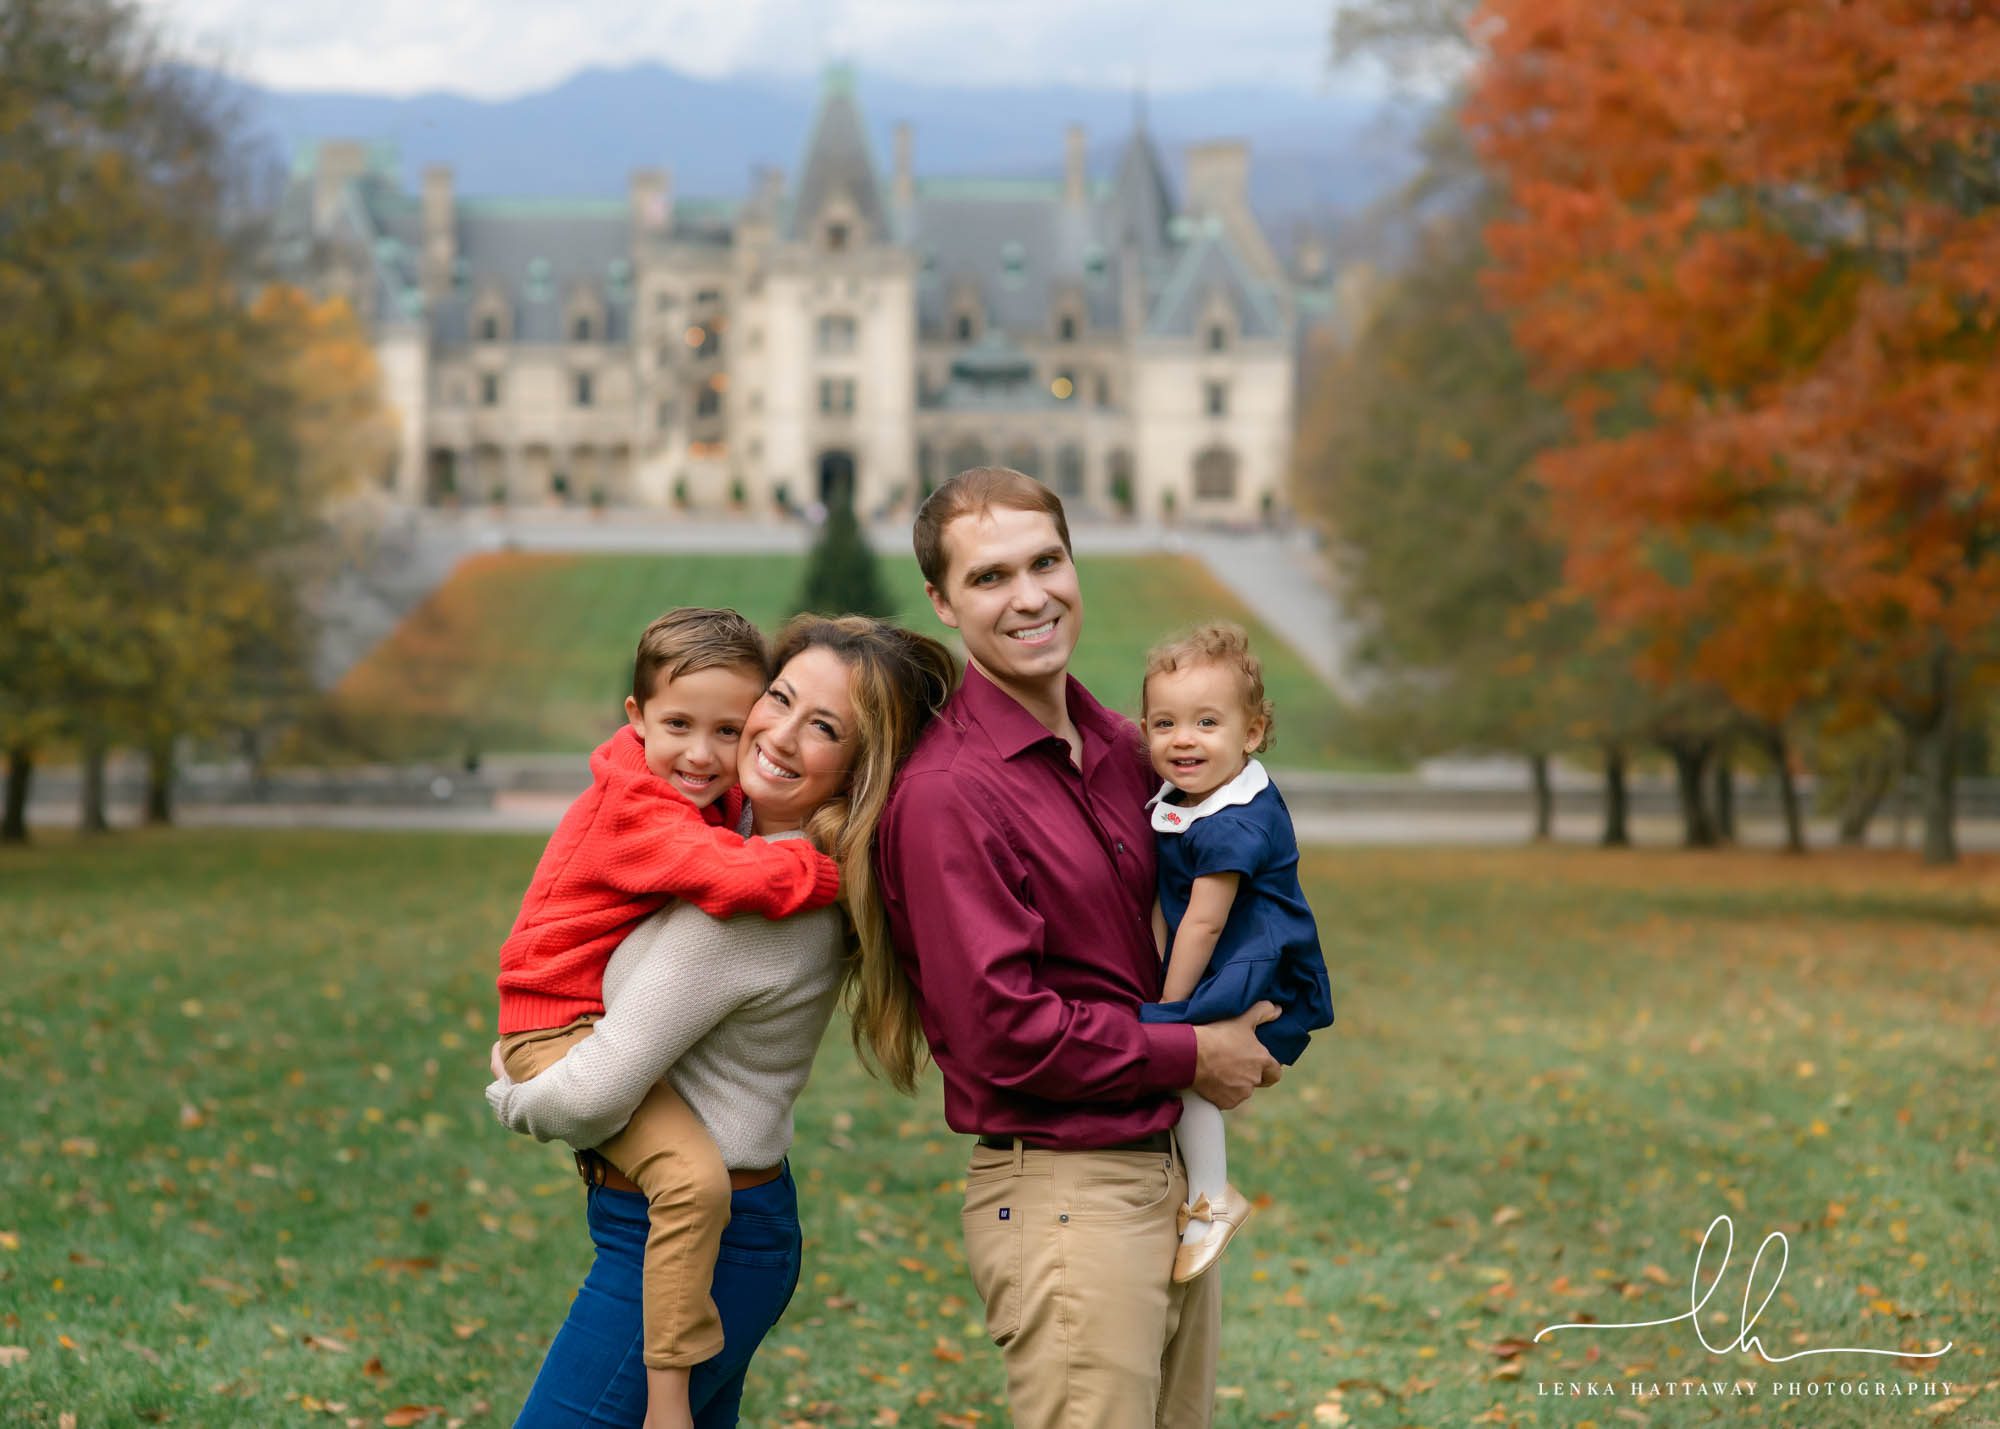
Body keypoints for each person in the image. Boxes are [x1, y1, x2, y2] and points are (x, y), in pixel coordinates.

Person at [873, 467, 1282, 1428]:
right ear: (940, 600)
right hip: (1064, 1194)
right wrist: (1194, 1050)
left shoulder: (1122, 746)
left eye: (1046, 561)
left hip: (1166, 1174)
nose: (1029, 596)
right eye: (989, 577)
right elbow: (997, 1030)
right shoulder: (951, 794)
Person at [489, 615, 956, 1428]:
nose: (775, 733)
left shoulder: (755, 905)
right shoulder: (735, 835)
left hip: (691, 1234)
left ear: (860, 767)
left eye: (824, 727)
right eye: (779, 697)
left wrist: (510, 1091)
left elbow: (592, 1096)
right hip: (706, 1231)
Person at [1136, 622, 1335, 1283]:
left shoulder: (1235, 818)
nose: (1182, 738)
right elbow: (1165, 903)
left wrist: (1166, 1005)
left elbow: (1201, 921)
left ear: (1250, 734)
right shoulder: (1183, 797)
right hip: (1224, 946)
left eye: (1206, 722)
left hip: (1255, 952)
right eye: (1163, 723)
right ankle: (1194, 1183)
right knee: (1179, 1051)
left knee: (1185, 1051)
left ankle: (1212, 1196)